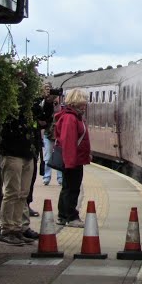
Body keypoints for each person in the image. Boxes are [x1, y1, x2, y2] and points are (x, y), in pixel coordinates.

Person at [0, 106, 40, 245]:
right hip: (12, 153)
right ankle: (7, 229)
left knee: (23, 193)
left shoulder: (31, 108)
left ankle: (17, 228)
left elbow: (43, 119)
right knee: (12, 193)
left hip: (28, 154)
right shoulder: (8, 108)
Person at [55, 88, 91, 227]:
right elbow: (69, 141)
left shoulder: (74, 116)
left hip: (74, 159)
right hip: (72, 160)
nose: (84, 105)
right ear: (75, 103)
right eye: (82, 103)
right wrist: (70, 162)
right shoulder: (70, 118)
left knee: (67, 187)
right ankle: (71, 217)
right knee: (72, 188)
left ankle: (63, 215)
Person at [37, 85, 63, 186]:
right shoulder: (43, 104)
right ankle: (46, 177)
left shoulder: (61, 105)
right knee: (48, 156)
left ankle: (60, 178)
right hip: (49, 134)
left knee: (59, 156)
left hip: (58, 134)